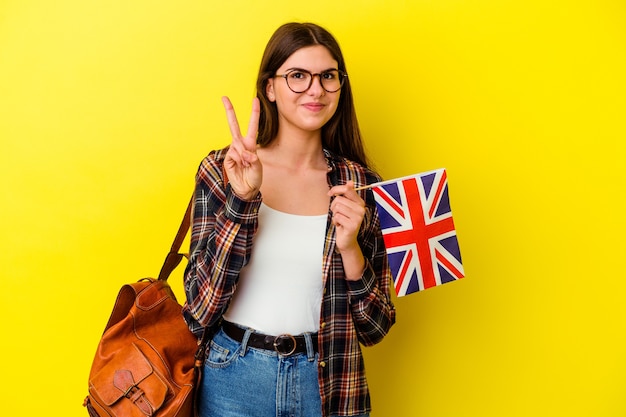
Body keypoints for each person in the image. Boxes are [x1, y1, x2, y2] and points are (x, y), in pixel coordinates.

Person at [182, 22, 396, 417]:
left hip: (328, 383)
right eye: (298, 76)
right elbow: (198, 307)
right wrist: (242, 200)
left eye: (328, 76)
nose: (315, 90)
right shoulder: (222, 170)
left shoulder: (359, 185)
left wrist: (350, 249)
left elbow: (376, 326)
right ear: (270, 88)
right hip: (233, 378)